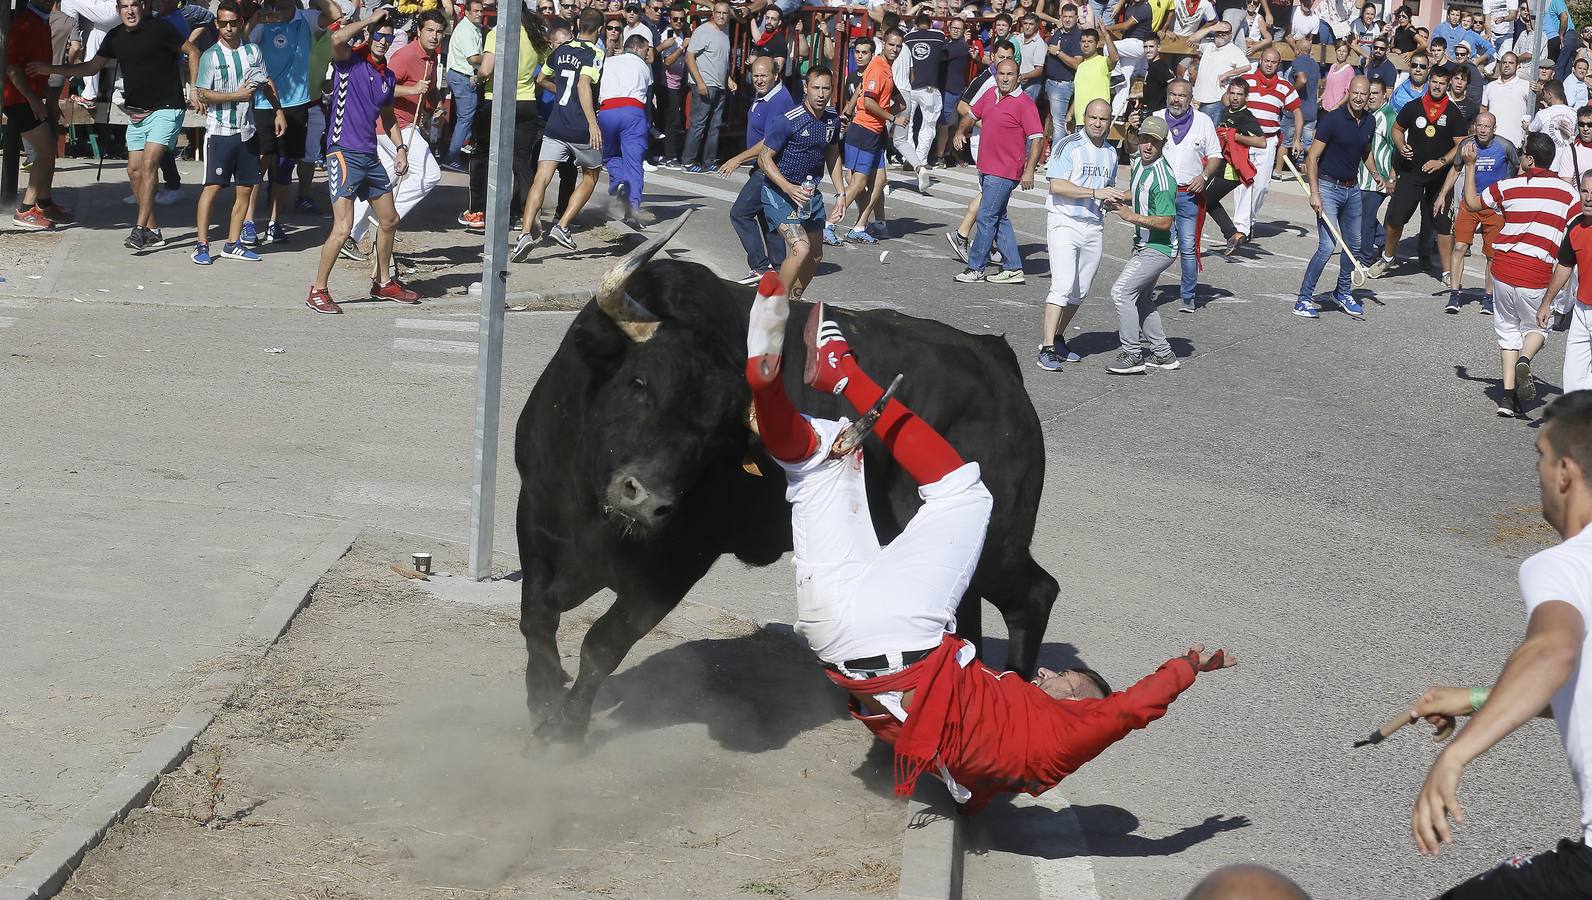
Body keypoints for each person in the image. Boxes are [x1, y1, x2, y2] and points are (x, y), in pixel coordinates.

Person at [739, 275, 1237, 818]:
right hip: (836, 639)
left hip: (897, 638)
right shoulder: (999, 765)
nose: (1046, 674)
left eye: (1068, 682)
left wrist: (1189, 667)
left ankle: (842, 371)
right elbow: (971, 790)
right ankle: (765, 391)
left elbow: (1126, 712)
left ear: (1081, 710)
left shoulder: (1060, 743)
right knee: (823, 462)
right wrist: (972, 806)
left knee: (963, 493)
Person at [1407, 390, 1592, 898]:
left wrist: (1456, 755)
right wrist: (1473, 700)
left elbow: (1553, 652)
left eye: (1541, 456)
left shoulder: (1565, 564)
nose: (1537, 472)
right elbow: (1579, 688)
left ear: (1565, 473)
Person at [36, 0, 200, 250]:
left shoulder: (160, 29)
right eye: (124, 6)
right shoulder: (115, 36)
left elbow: (193, 51)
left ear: (142, 6)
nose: (130, 11)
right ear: (117, 10)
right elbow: (91, 67)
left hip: (167, 108)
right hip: (136, 113)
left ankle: (139, 229)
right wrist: (51, 68)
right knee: (134, 171)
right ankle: (153, 230)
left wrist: (195, 89)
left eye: (134, 5)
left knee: (148, 165)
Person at [305, 8, 418, 315]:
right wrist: (369, 19)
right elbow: (337, 37)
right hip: (342, 152)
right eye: (378, 36)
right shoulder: (349, 60)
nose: (382, 41)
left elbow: (387, 115)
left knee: (390, 219)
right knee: (342, 228)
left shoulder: (387, 75)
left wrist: (400, 148)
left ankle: (383, 283)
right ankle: (318, 291)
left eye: (388, 37)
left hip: (369, 155)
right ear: (369, 36)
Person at [1460, 131, 1577, 417]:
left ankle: (1507, 399)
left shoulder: (1508, 186)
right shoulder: (1567, 193)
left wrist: (1471, 166)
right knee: (1537, 327)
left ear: (1530, 158)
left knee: (1507, 331)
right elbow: (1578, 228)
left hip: (1502, 268)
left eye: (1524, 151)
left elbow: (1472, 202)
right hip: (1536, 272)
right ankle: (1525, 359)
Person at [346, 8, 446, 280]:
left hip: (402, 126)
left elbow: (430, 87)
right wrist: (413, 90)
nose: (435, 36)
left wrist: (436, 105)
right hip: (394, 126)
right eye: (430, 30)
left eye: (439, 31)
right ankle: (386, 219)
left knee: (383, 180)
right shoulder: (406, 55)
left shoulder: (432, 57)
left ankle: (350, 234)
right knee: (429, 175)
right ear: (419, 31)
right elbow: (384, 86)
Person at [191, 0, 284, 266]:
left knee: (245, 188)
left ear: (241, 23)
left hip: (248, 130)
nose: (229, 28)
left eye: (234, 22)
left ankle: (233, 243)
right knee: (212, 188)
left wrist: (278, 111)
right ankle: (201, 244)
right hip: (220, 131)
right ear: (216, 24)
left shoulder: (253, 51)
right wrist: (237, 95)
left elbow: (265, 82)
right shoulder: (210, 55)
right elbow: (203, 93)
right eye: (223, 23)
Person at [513, 8, 604, 259]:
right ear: (599, 30)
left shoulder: (561, 49)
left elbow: (541, 78)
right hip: (579, 128)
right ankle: (562, 227)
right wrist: (592, 122)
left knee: (541, 178)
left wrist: (563, 93)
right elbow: (583, 84)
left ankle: (524, 233)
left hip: (555, 124)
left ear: (577, 26)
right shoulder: (595, 52)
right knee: (590, 177)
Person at [246, 0, 336, 247]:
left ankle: (275, 223)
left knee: (285, 167)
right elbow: (245, 46)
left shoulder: (305, 18)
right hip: (264, 102)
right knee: (260, 164)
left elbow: (335, 14)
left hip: (297, 104)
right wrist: (256, 19)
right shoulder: (263, 20)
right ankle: (248, 222)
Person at [1038, 98, 1120, 370]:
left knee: (1080, 290)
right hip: (1065, 221)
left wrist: (1112, 201)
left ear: (1110, 122)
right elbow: (1057, 186)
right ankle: (1046, 348)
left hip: (1094, 225)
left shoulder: (1111, 152)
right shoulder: (1068, 145)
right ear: (1085, 117)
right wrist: (1095, 193)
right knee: (1061, 285)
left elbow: (1106, 189)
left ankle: (1059, 338)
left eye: (1103, 119)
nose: (1098, 123)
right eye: (1093, 118)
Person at [1368, 64, 1467, 279]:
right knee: (1395, 218)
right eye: (1434, 82)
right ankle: (1387, 257)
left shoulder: (1453, 113)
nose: (1438, 86)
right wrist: (1401, 144)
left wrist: (1441, 161)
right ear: (1429, 82)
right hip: (1411, 173)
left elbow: (1460, 144)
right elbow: (1397, 128)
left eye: (1442, 83)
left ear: (1448, 85)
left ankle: (1447, 270)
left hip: (1439, 178)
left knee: (1442, 225)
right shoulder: (1413, 107)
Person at [951, 56, 1042, 284]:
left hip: (1005, 171)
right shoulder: (990, 95)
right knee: (999, 217)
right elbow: (971, 115)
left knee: (986, 217)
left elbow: (1037, 138)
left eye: (1010, 74)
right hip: (986, 167)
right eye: (1001, 73)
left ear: (1018, 77)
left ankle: (976, 267)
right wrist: (960, 131)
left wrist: (1029, 171)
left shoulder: (1024, 103)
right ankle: (1013, 267)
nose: (1004, 78)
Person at [758, 66, 842, 300]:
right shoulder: (788, 121)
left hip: (809, 195)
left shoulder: (832, 120)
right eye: (816, 88)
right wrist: (787, 187)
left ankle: (794, 300)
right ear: (806, 88)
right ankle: (774, 304)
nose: (821, 94)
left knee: (815, 255)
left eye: (826, 88)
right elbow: (764, 158)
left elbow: (833, 154)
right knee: (800, 248)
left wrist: (841, 194)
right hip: (780, 192)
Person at [1106, 115, 1181, 375]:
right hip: (1146, 245)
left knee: (1121, 292)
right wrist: (1117, 197)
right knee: (1142, 300)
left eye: (1154, 142)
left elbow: (1164, 221)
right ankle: (1162, 353)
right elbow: (1137, 193)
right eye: (1145, 139)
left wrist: (1130, 216)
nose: (1148, 146)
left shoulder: (1163, 178)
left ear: (1163, 144)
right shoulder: (1139, 163)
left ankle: (1132, 353)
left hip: (1158, 248)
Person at [1293, 75, 1373, 319]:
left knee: (1354, 246)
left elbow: (1364, 150)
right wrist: (1315, 192)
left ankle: (1342, 292)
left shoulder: (1369, 122)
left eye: (1364, 94)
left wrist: (1376, 173)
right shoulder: (1333, 119)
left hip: (1353, 189)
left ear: (1369, 96)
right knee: (1327, 246)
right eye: (1355, 92)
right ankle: (1303, 299)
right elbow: (1312, 158)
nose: (1359, 98)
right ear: (1348, 92)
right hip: (1328, 188)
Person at [1151, 78, 1224, 312]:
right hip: (1160, 193)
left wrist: (1203, 177)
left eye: (1182, 96)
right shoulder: (1157, 117)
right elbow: (1140, 148)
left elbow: (1215, 156)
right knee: (1154, 245)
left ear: (1190, 98)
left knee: (1188, 247)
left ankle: (1188, 296)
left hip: (1187, 194)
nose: (1176, 99)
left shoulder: (1203, 121)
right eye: (1172, 94)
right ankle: (1146, 290)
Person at [723, 56, 796, 284]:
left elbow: (769, 141)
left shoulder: (779, 100)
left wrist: (737, 159)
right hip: (763, 166)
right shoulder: (765, 95)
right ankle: (779, 267)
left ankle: (760, 267)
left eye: (764, 75)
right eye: (756, 75)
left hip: (770, 168)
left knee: (740, 214)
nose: (759, 80)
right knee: (767, 217)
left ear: (776, 76)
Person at [1437, 111, 1515, 313]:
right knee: (1460, 246)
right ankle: (1454, 294)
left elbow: (1519, 167)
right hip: (1470, 202)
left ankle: (1488, 297)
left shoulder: (1505, 146)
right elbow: (1455, 169)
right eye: (1479, 125)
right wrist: (1442, 195)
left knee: (1492, 254)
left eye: (1487, 126)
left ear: (1494, 129)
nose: (1482, 130)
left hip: (1494, 204)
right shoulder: (1466, 145)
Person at [943, 41, 1014, 262]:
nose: (1004, 61)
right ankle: (962, 235)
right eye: (1000, 57)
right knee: (991, 193)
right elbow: (963, 106)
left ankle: (988, 241)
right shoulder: (986, 79)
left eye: (1008, 57)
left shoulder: (1006, 78)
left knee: (994, 194)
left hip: (998, 142)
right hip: (983, 141)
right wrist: (987, 124)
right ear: (992, 57)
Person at [4, 0, 71, 230]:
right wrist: (34, 101)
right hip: (18, 99)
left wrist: (47, 99)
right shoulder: (25, 22)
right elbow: (12, 68)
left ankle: (44, 203)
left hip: (29, 97)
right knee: (44, 151)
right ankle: (25, 209)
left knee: (48, 149)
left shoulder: (42, 22)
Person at [1233, 47, 1302, 250]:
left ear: (1278, 64)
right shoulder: (1246, 80)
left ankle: (1249, 221)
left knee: (1261, 186)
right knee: (1242, 184)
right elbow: (1229, 99)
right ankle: (1240, 228)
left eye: (1273, 62)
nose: (1269, 64)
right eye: (1266, 61)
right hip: (1244, 140)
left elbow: (1297, 112)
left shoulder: (1284, 87)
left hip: (1268, 140)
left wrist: (1297, 139)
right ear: (1260, 60)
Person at [597, 33, 654, 227]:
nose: (648, 55)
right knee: (633, 161)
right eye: (646, 50)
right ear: (637, 48)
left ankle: (619, 182)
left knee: (611, 154)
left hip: (606, 110)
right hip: (632, 110)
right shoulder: (644, 67)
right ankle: (633, 208)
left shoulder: (609, 62)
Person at [1542, 174, 1592, 393]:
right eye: (1585, 191)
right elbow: (1564, 265)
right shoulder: (1575, 227)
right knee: (1572, 380)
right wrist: (1547, 302)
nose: (1589, 198)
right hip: (1581, 310)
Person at [1205, 79, 1267, 253]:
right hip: (1219, 165)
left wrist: (1235, 136)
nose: (1235, 97)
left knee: (1202, 199)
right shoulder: (1228, 110)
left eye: (1239, 95)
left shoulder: (1246, 117)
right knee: (1206, 200)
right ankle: (1233, 234)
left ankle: (1188, 240)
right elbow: (1224, 97)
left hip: (1231, 170)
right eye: (1232, 93)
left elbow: (1262, 142)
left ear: (1246, 97)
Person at [681, 0, 734, 172]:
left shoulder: (725, 31)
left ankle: (709, 160)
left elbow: (721, 60)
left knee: (715, 126)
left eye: (725, 13)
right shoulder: (703, 31)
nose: (721, 16)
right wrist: (699, 82)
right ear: (713, 13)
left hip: (719, 85)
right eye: (718, 12)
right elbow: (689, 57)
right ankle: (688, 161)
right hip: (705, 84)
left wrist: (728, 79)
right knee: (699, 124)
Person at [902, 12, 948, 179]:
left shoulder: (908, 37)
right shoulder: (939, 35)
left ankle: (909, 157)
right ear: (930, 24)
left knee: (907, 123)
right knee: (928, 125)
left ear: (915, 24)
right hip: (930, 88)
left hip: (910, 87)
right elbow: (945, 53)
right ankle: (920, 159)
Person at [1357, 78, 1396, 268]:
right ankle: (1384, 243)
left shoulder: (1389, 116)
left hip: (1378, 179)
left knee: (1365, 219)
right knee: (1363, 215)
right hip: (1362, 177)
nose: (1371, 97)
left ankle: (1364, 258)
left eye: (1375, 93)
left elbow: (1397, 148)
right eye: (1369, 93)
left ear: (1384, 95)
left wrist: (1391, 177)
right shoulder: (1367, 115)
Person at [444, 0, 485, 169]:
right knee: (465, 118)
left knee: (466, 117)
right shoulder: (467, 30)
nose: (479, 14)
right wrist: (493, 57)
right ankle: (451, 158)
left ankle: (460, 150)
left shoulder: (470, 28)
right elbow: (473, 58)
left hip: (461, 74)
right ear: (466, 12)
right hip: (462, 76)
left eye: (480, 11)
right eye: (475, 11)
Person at [1191, 19, 1250, 122]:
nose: (1221, 35)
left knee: (1210, 131)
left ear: (1230, 35)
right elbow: (1192, 39)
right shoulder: (1209, 44)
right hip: (1198, 97)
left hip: (1216, 99)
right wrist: (1211, 28)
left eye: (1225, 32)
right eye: (1219, 32)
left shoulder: (1232, 49)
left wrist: (1227, 74)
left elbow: (1246, 66)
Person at [1044, 2, 1081, 142]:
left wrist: (1058, 52)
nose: (1067, 19)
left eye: (1071, 17)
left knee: (1059, 124)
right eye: (1065, 16)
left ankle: (1056, 160)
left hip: (1062, 85)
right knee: (1050, 121)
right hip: (1049, 82)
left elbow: (1077, 63)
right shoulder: (1059, 32)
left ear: (1076, 18)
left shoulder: (1077, 36)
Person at [1481, 52, 1533, 147]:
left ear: (1517, 66)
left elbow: (1534, 107)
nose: (1507, 65)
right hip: (1492, 142)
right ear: (1500, 65)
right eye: (1504, 62)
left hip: (1516, 142)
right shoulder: (1490, 86)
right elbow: (1483, 110)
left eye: (1511, 63)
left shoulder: (1526, 85)